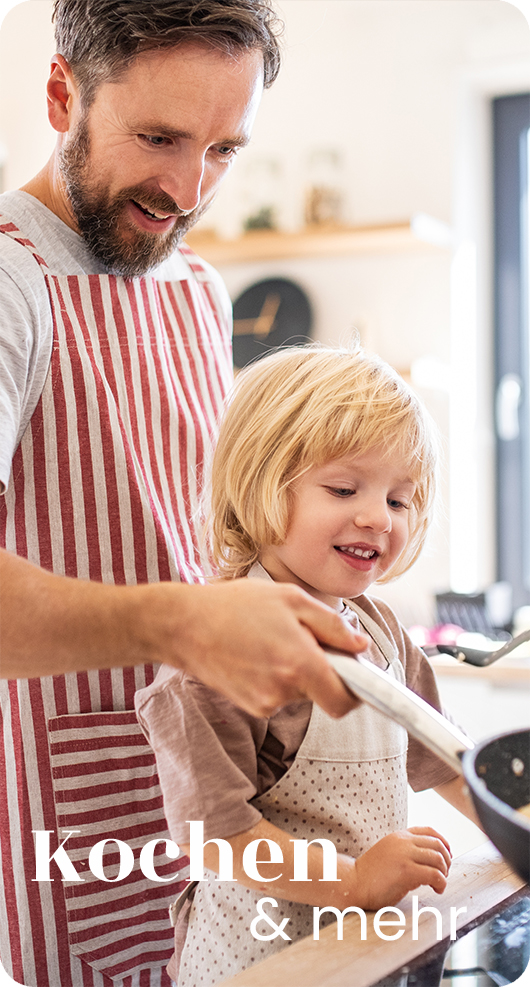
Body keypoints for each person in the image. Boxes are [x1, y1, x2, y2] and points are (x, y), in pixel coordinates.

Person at [0, 3, 368, 986]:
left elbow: (210, 533)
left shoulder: (198, 289)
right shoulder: (10, 283)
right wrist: (186, 626)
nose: (188, 190)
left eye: (223, 150)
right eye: (159, 138)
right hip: (72, 809)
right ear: (61, 95)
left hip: (214, 801)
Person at [135, 343, 479, 987]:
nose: (377, 518)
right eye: (344, 489)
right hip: (259, 961)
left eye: (399, 500)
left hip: (362, 950)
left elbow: (451, 762)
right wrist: (354, 881)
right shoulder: (215, 655)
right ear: (260, 485)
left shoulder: (382, 634)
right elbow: (216, 836)